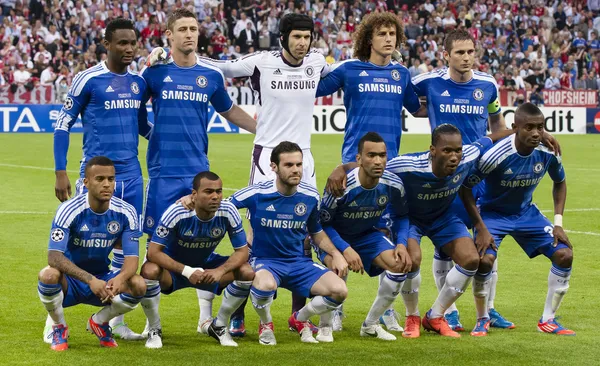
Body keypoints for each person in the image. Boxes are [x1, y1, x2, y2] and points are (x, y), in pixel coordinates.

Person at [149, 13, 328, 336]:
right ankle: (238, 313)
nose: (303, 42)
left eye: (307, 37)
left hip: (305, 156)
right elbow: (224, 67)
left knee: (303, 232)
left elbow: (342, 71)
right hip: (266, 155)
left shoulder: (317, 61)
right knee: (253, 233)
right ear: (283, 37)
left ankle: (299, 314)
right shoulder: (262, 61)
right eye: (297, 36)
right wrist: (167, 52)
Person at [139, 8, 257, 335]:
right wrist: (154, 134)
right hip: (163, 175)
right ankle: (153, 326)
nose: (190, 34)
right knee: (156, 251)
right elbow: (135, 109)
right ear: (170, 36)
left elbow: (229, 109)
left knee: (202, 241)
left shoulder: (210, 75)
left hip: (197, 173)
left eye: (193, 28)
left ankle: (205, 317)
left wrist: (262, 131)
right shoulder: (155, 73)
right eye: (183, 29)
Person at [318, 11, 425, 333]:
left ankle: (386, 309)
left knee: (389, 235)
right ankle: (337, 307)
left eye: (393, 33)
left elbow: (417, 107)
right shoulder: (349, 70)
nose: (389, 39)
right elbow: (314, 86)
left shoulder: (401, 73)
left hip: (389, 165)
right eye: (382, 34)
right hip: (353, 163)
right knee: (342, 228)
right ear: (368, 39)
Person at [51, 18, 151, 341]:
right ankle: (56, 313)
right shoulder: (87, 80)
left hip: (132, 177)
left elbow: (143, 127)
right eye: (121, 43)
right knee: (81, 244)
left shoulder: (137, 83)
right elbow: (62, 124)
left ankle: (113, 320)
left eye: (133, 43)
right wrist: (60, 170)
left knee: (126, 250)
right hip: (94, 177)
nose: (129, 49)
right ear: (106, 44)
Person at [383, 124, 514, 338]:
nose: (454, 156)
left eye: (457, 150)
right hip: (411, 219)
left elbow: (492, 137)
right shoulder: (408, 165)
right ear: (432, 150)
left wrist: (536, 133)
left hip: (443, 218)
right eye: (447, 151)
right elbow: (375, 166)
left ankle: (435, 315)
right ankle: (412, 316)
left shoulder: (468, 155)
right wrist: (342, 170)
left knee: (471, 260)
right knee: (412, 259)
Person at [462, 103, 575, 336]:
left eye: (540, 128)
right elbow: (466, 189)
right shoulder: (495, 155)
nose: (536, 133)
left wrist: (558, 223)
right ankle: (482, 318)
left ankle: (548, 320)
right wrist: (480, 227)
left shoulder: (548, 152)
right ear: (515, 128)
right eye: (529, 128)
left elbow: (560, 182)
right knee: (484, 261)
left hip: (525, 213)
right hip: (492, 214)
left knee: (565, 254)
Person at [229, 141, 349, 345]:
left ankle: (299, 318)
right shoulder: (257, 193)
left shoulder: (310, 196)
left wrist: (337, 255)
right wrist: (239, 243)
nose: (296, 170)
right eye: (289, 165)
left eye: (299, 164)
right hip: (265, 261)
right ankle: (266, 324)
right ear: (274, 167)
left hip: (298, 263)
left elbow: (316, 232)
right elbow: (224, 208)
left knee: (339, 291)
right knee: (265, 285)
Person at [37, 156, 146, 351]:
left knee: (138, 284)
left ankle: (100, 321)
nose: (107, 185)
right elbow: (54, 257)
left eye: (111, 179)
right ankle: (58, 326)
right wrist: (89, 280)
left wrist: (121, 278)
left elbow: (131, 259)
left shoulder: (126, 212)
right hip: (70, 280)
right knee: (48, 275)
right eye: (100, 179)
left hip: (103, 279)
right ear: (86, 183)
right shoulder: (69, 210)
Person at [140, 172, 255, 348]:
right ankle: (154, 329)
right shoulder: (176, 212)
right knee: (149, 270)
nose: (215, 196)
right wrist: (187, 271)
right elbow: (153, 253)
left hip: (207, 266)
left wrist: (220, 271)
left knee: (246, 272)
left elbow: (242, 252)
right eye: (208, 191)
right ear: (194, 194)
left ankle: (219, 325)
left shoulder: (228, 211)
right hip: (174, 271)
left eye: (219, 191)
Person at [315, 132, 411, 342]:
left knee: (399, 265)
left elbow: (403, 216)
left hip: (366, 235)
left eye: (382, 155)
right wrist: (344, 249)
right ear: (358, 159)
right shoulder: (340, 185)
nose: (378, 161)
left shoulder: (393, 183)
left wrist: (402, 244)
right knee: (336, 268)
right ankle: (325, 325)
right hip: (334, 237)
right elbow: (323, 223)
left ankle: (371, 324)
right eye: (371, 155)